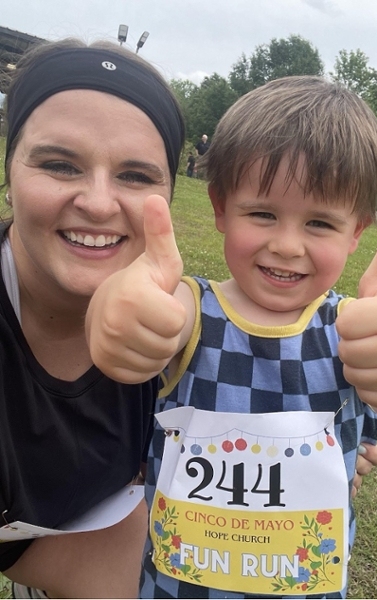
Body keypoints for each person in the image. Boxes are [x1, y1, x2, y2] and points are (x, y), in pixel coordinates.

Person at [87, 76, 377, 599]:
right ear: (219, 208)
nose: (286, 245)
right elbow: (135, 310)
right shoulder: (193, 310)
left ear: (357, 232)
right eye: (262, 214)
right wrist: (117, 312)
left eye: (320, 223)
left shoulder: (356, 329)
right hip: (181, 586)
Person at [0, 37, 185, 599]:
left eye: (135, 176)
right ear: (10, 169)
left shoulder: (184, 322)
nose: (100, 203)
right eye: (60, 164)